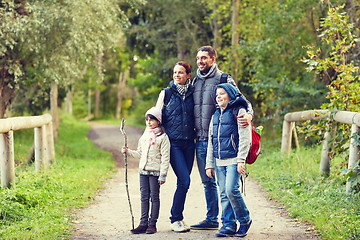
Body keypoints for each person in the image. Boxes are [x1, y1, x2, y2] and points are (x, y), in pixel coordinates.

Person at [190, 46, 253, 230]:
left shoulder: (224, 79)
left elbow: (243, 100)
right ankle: (212, 219)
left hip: (225, 142)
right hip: (202, 140)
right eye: (198, 58)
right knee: (207, 182)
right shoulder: (195, 81)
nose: (200, 61)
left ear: (213, 58)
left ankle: (230, 223)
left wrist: (249, 115)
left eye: (204, 58)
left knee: (227, 188)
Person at [206, 83, 252, 237]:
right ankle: (228, 225)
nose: (219, 97)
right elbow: (211, 141)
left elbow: (245, 138)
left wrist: (241, 160)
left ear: (231, 95)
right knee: (224, 193)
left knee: (232, 190)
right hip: (219, 161)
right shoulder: (215, 115)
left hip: (234, 159)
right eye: (217, 94)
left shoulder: (239, 111)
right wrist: (209, 164)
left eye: (222, 94)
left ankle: (244, 220)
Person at [155, 61, 196, 232]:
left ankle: (178, 217)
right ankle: (175, 219)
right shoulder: (166, 93)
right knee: (185, 180)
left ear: (188, 75)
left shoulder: (194, 93)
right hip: (173, 145)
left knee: (183, 182)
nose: (177, 75)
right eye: (175, 72)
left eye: (181, 72)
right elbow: (156, 117)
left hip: (189, 144)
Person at [121, 107, 170, 234]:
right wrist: (128, 152)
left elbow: (165, 157)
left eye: (152, 120)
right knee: (143, 197)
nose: (149, 122)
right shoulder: (145, 136)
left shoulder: (163, 138)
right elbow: (140, 153)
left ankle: (152, 224)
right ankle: (143, 223)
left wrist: (163, 175)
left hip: (155, 172)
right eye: (147, 120)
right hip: (143, 171)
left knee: (154, 197)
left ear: (158, 121)